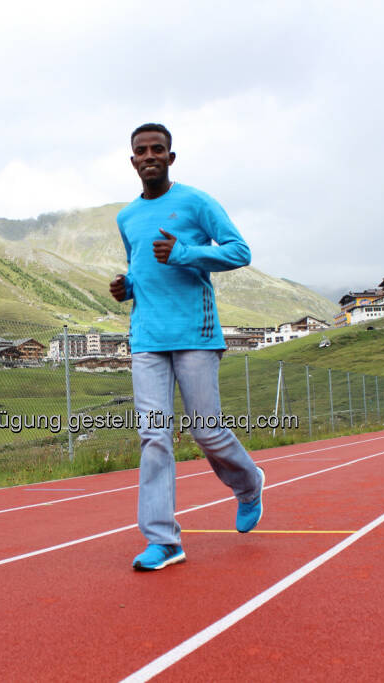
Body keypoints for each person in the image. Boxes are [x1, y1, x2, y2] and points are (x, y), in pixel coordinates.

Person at [110, 123, 265, 571]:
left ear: (171, 158)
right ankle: (163, 539)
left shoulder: (196, 202)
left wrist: (186, 253)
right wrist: (128, 286)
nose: (150, 155)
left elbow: (239, 251)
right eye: (142, 150)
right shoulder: (127, 218)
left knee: (207, 431)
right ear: (133, 160)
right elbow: (140, 268)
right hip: (147, 339)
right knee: (154, 435)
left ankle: (249, 483)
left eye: (159, 149)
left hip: (196, 335)